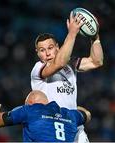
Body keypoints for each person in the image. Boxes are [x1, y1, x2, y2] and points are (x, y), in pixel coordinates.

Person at [31, 11, 103, 142]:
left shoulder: (70, 64)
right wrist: (72, 33)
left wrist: (95, 37)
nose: (47, 53)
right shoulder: (37, 69)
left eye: (50, 47)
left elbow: (96, 61)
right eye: (42, 50)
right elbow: (59, 62)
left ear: (57, 47)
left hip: (74, 126)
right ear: (38, 54)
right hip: (53, 127)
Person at [0, 90, 91, 142]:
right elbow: (87, 114)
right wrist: (76, 110)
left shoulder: (30, 110)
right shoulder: (70, 115)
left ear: (30, 103)